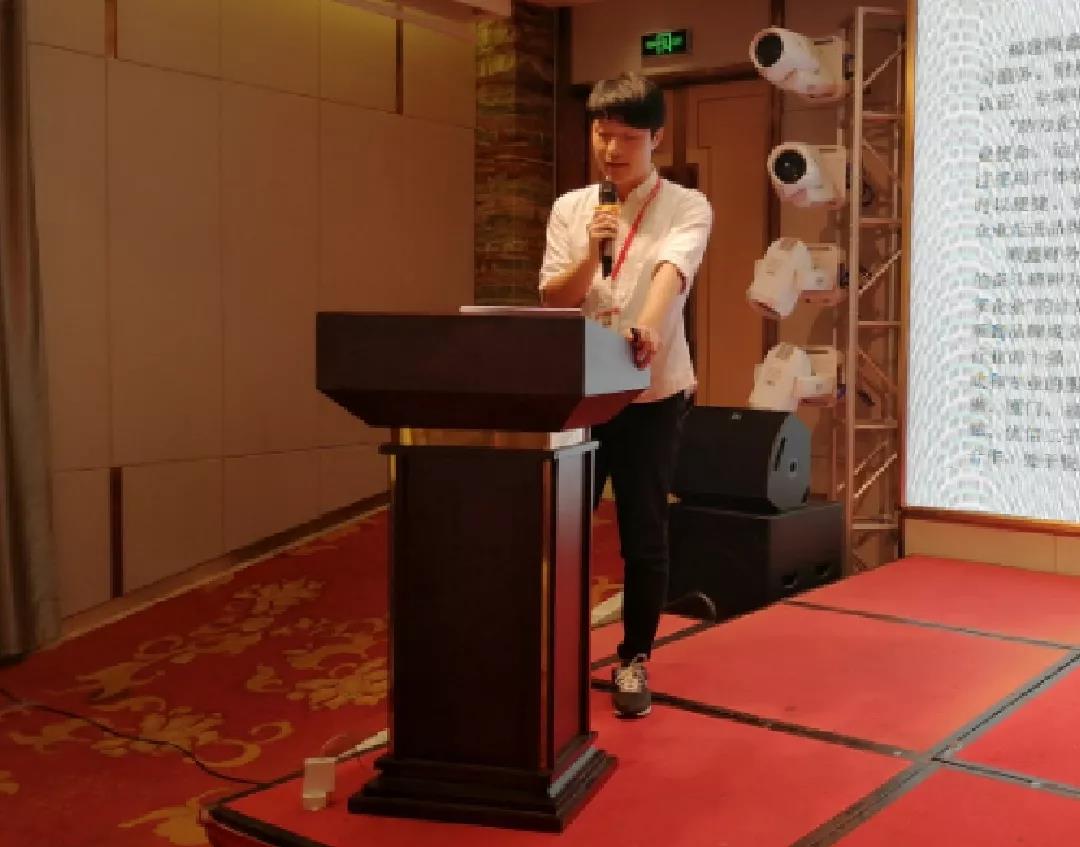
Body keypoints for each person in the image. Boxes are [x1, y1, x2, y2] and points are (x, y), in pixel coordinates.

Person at [538, 72, 713, 717]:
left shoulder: (686, 206)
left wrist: (648, 326)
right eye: (602, 135)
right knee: (563, 530)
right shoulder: (572, 208)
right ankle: (556, 653)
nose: (611, 150)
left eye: (627, 139)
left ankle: (634, 658)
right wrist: (591, 251)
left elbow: (672, 271)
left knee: (643, 531)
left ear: (657, 138)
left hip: (650, 393)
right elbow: (554, 298)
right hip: (582, 395)